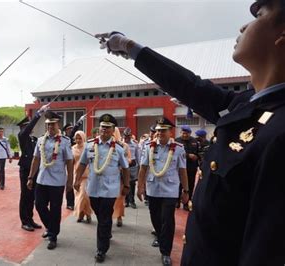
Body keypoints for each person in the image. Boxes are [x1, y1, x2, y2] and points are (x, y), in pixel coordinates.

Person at [97, 2, 285, 262]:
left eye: (261, 15)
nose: (243, 25)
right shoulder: (247, 104)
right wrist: (129, 47)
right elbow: (191, 87)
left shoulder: (280, 130)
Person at [74, 114, 130, 263]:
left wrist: (126, 185)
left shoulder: (118, 148)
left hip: (110, 189)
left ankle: (101, 249)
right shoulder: (90, 145)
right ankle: (106, 231)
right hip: (93, 188)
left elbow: (125, 168)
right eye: (102, 127)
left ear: (113, 130)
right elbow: (82, 164)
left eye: (108, 128)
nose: (104, 130)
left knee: (104, 217)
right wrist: (77, 179)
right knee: (100, 215)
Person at [135, 117, 189, 266]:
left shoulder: (178, 148)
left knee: (167, 220)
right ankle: (160, 236)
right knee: (155, 218)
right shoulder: (148, 146)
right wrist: (140, 187)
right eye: (158, 130)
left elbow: (183, 171)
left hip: (170, 190)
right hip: (152, 189)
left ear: (170, 132)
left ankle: (166, 252)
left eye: (163, 130)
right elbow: (143, 168)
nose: (159, 133)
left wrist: (186, 190)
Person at [27, 111, 74, 250]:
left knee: (55, 209)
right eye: (48, 125)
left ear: (57, 124)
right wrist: (30, 177)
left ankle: (53, 235)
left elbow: (70, 162)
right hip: (41, 179)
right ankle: (51, 227)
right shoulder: (41, 140)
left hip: (57, 181)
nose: (50, 128)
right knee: (39, 205)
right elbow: (36, 159)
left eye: (52, 125)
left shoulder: (65, 141)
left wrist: (70, 181)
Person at [17, 104, 49, 232]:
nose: (30, 127)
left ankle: (30, 219)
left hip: (35, 170)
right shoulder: (22, 136)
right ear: (23, 127)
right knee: (25, 195)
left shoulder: (34, 139)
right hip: (25, 170)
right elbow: (27, 128)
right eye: (27, 125)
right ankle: (24, 221)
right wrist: (38, 114)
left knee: (32, 196)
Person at [175, 125, 199, 210]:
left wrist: (197, 157)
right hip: (180, 168)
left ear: (190, 133)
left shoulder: (194, 141)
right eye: (183, 133)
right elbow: (175, 154)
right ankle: (177, 201)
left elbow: (198, 153)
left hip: (191, 168)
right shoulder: (176, 141)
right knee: (179, 185)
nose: (185, 135)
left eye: (187, 133)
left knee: (190, 185)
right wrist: (189, 155)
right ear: (181, 132)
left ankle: (186, 202)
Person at [71, 130, 92, 223]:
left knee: (84, 196)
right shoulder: (72, 149)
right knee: (78, 196)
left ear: (83, 138)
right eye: (76, 138)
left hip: (87, 175)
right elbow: (71, 163)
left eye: (80, 138)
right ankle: (82, 214)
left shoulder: (87, 148)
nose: (78, 140)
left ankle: (85, 213)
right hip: (76, 175)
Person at [112, 127, 130, 227]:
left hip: (120, 176)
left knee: (119, 199)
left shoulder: (124, 146)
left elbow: (128, 159)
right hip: (108, 176)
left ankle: (119, 217)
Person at [124, 127, 141, 209]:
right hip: (124, 165)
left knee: (132, 183)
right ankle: (126, 201)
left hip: (133, 165)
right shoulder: (121, 143)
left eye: (128, 136)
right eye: (125, 136)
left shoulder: (135, 144)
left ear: (131, 136)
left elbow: (138, 156)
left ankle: (132, 201)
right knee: (125, 183)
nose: (126, 138)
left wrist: (139, 166)